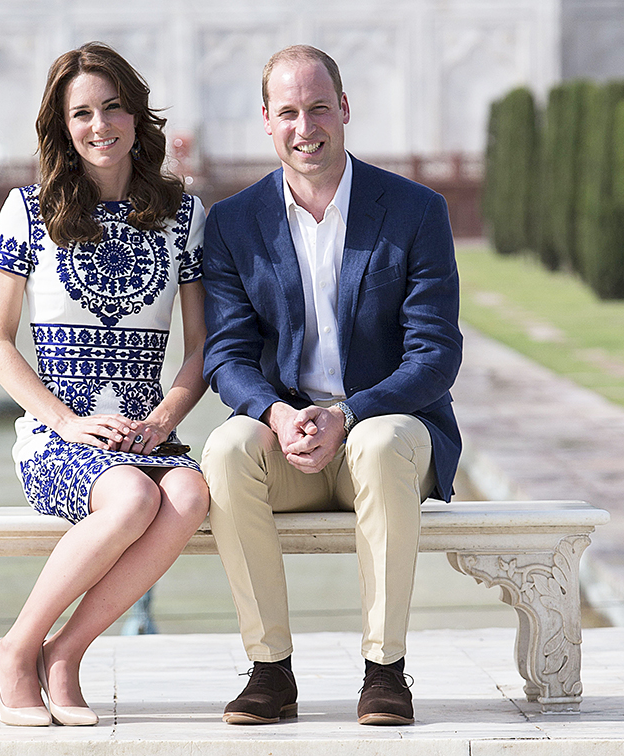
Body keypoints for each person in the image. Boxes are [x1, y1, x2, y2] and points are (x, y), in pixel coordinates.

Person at [200, 45, 462, 726]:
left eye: (318, 108)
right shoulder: (233, 223)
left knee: (378, 443)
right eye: (288, 112)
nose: (304, 127)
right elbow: (226, 356)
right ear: (266, 119)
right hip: (291, 442)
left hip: (386, 435)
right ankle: (269, 669)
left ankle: (385, 671)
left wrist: (348, 414)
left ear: (344, 108)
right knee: (226, 450)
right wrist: (275, 415)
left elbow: (435, 355)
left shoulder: (414, 210)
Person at [0, 41, 210, 727]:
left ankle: (65, 654)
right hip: (59, 436)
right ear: (63, 125)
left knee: (190, 493)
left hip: (145, 434)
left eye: (113, 107)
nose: (99, 125)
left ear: (137, 116)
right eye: (81, 113)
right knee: (133, 496)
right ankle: (16, 650)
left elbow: (202, 348)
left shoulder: (183, 216)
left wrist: (166, 417)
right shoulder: (28, 211)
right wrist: (67, 422)